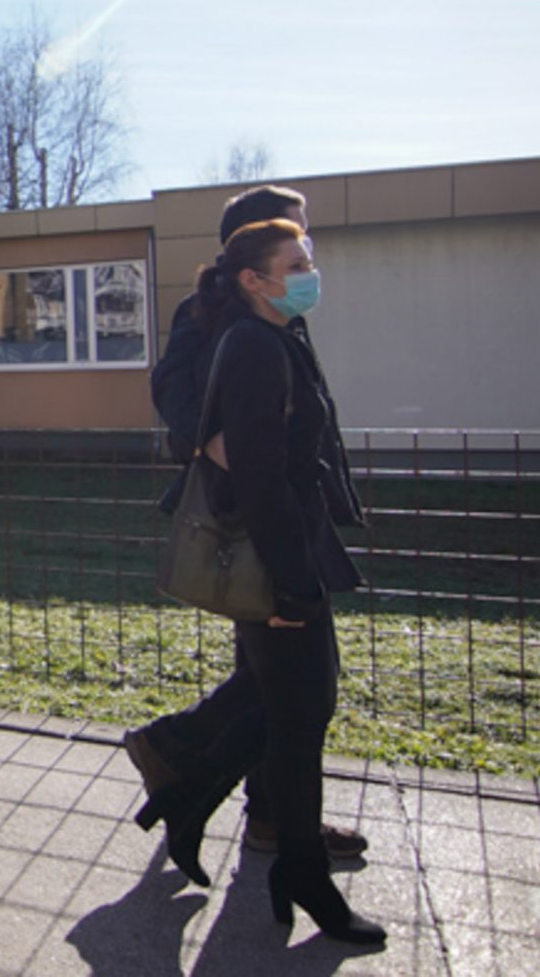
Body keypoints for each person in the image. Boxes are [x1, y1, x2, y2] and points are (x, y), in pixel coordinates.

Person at [129, 219, 382, 944]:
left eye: (309, 260)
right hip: (279, 563)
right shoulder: (251, 346)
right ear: (254, 279)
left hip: (296, 550)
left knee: (299, 710)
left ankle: (191, 793)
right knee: (298, 721)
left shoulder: (275, 338)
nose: (310, 273)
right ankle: (294, 867)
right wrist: (292, 584)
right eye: (296, 263)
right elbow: (260, 476)